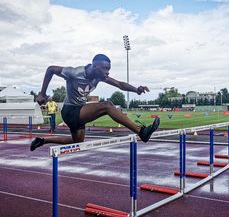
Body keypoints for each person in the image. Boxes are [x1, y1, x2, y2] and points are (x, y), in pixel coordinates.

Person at [30, 54, 160, 151]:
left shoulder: (99, 77)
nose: (107, 72)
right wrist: (42, 93)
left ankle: (42, 140)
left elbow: (119, 84)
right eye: (105, 68)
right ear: (95, 66)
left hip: (80, 111)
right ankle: (141, 132)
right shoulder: (75, 73)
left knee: (78, 141)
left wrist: (136, 90)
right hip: (70, 110)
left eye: (108, 69)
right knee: (107, 106)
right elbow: (51, 69)